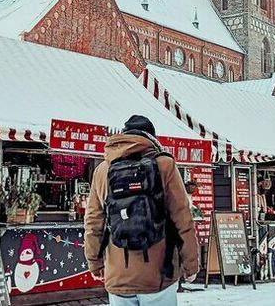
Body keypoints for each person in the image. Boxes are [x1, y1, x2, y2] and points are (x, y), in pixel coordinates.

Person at [84, 115, 199, 306]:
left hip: (118, 274)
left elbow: (93, 222)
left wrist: (94, 262)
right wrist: (190, 265)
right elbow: (183, 218)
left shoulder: (103, 169)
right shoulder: (164, 164)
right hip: (159, 274)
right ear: (152, 138)